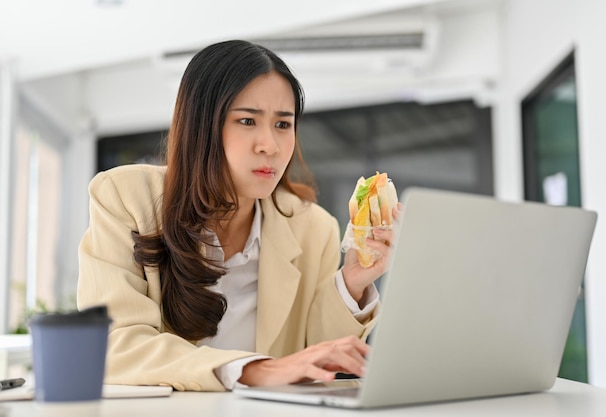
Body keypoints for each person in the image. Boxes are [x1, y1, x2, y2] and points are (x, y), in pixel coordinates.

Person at [76, 39, 397, 392]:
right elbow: (114, 345)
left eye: (283, 124)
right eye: (247, 120)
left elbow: (313, 356)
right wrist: (253, 370)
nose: (270, 145)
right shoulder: (124, 197)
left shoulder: (313, 227)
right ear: (201, 126)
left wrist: (352, 282)